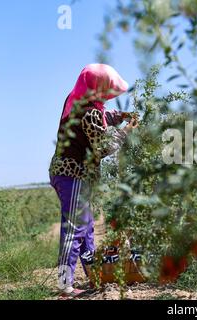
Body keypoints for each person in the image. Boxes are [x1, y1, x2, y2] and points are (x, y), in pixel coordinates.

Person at [49, 64, 138, 297]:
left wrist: (120, 116)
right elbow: (102, 147)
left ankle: (95, 275)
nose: (108, 95)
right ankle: (64, 285)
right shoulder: (89, 112)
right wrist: (125, 132)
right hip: (73, 174)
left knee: (86, 228)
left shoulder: (78, 100)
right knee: (75, 229)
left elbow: (102, 117)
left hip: (70, 174)